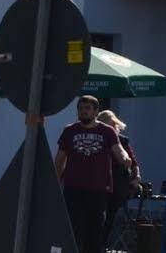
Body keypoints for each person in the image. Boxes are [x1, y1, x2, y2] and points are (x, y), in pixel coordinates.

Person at [56, 96, 129, 253]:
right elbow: (60, 159)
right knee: (74, 230)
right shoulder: (69, 131)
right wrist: (55, 182)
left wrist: (125, 158)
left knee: (95, 232)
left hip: (98, 189)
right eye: (81, 109)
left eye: (87, 109)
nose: (83, 112)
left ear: (96, 111)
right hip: (73, 188)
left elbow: (119, 150)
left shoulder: (107, 131)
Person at [96, 110, 141, 242]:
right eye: (108, 126)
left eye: (113, 126)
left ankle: (101, 244)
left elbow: (133, 162)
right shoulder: (98, 140)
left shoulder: (122, 140)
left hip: (117, 185)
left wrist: (137, 176)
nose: (112, 129)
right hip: (99, 184)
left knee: (109, 216)